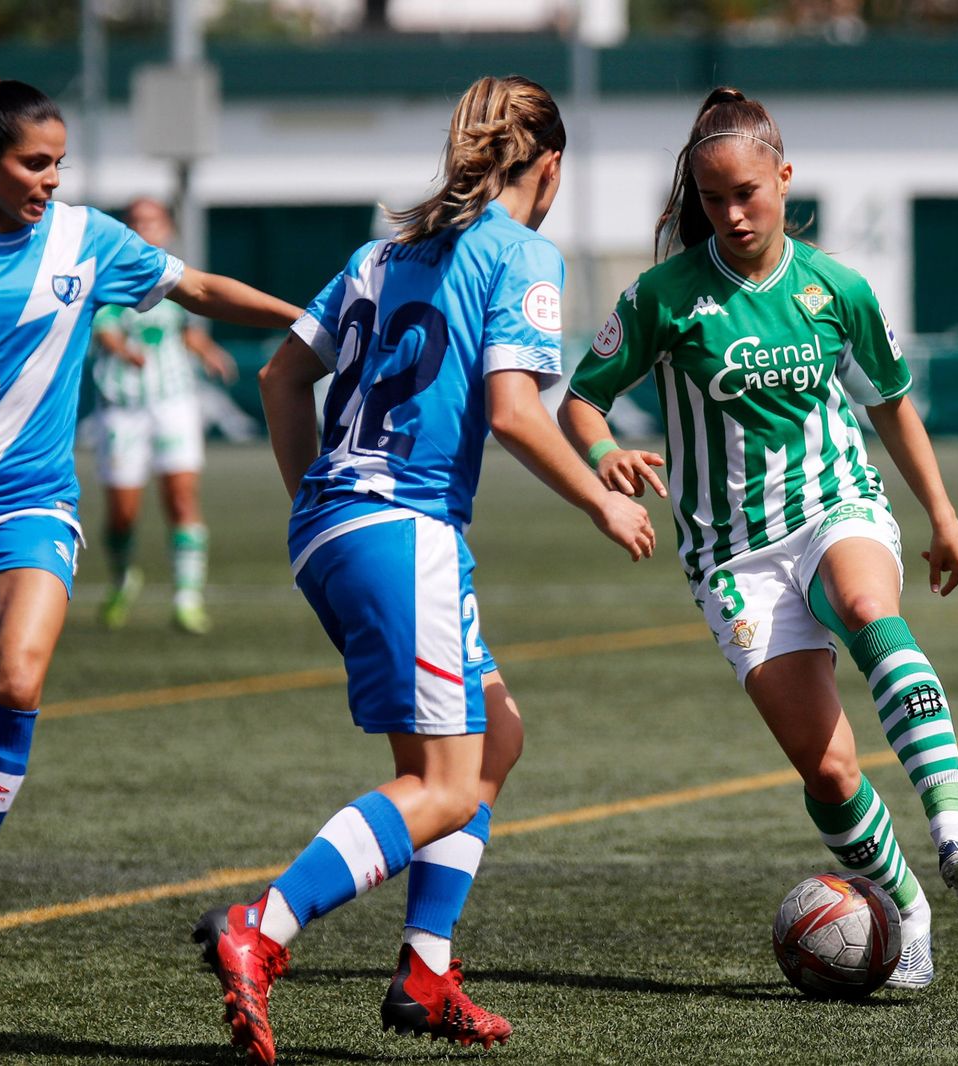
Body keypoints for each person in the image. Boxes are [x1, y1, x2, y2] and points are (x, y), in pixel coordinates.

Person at [193, 75, 654, 1065]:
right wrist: (600, 498)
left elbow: (280, 376)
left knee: (495, 736)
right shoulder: (521, 252)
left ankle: (425, 972)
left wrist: (320, 502)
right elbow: (515, 411)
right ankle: (261, 928)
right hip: (404, 528)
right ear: (550, 167)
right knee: (445, 785)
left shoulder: (380, 252)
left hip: (335, 525)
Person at [0, 72, 301, 964]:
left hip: (31, 503)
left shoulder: (88, 239)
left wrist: (312, 325)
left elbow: (197, 289)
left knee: (19, 681)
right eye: (35, 164)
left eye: (60, 163)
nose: (52, 180)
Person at [560, 87, 958, 991]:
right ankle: (908, 911)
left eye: (748, 193)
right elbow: (581, 400)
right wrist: (604, 455)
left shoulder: (836, 287)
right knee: (828, 771)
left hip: (836, 506)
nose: (732, 214)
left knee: (867, 604)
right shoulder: (662, 297)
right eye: (713, 198)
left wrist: (944, 515)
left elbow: (891, 405)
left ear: (785, 179)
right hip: (732, 557)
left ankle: (955, 822)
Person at [89, 197, 240, 635]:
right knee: (122, 513)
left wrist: (209, 351)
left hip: (173, 403)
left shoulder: (177, 277)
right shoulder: (109, 276)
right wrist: (123, 350)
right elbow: (104, 329)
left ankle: (187, 599)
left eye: (153, 221)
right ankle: (123, 577)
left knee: (181, 498)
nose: (145, 228)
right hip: (123, 409)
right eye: (137, 221)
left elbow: (186, 330)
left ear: (168, 228)